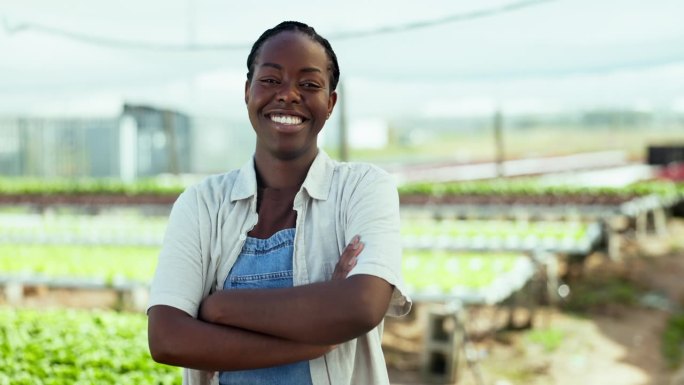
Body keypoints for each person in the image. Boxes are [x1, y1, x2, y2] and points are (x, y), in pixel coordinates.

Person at [147, 20, 411, 385]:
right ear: (247, 91)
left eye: (309, 84)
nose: (288, 94)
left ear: (330, 103)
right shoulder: (202, 205)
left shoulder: (363, 189)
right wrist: (319, 339)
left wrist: (220, 308)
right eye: (271, 80)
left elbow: (362, 306)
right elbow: (167, 339)